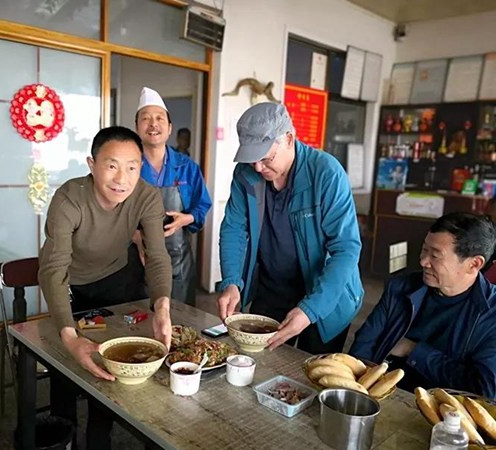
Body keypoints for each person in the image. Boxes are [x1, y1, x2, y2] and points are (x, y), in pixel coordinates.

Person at [38, 126, 172, 450]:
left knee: (112, 354)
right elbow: (54, 268)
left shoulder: (147, 196)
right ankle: (64, 433)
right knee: (67, 356)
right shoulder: (69, 198)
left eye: (132, 167)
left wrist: (162, 308)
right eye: (112, 165)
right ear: (92, 164)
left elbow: (156, 255)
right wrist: (70, 336)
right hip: (70, 283)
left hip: (116, 277)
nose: (122, 178)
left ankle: (100, 437)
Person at [217, 102, 364, 354]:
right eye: (252, 160)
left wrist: (310, 310)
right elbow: (234, 229)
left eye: (266, 158)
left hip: (325, 294)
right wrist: (231, 281)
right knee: (261, 361)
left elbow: (346, 249)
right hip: (272, 288)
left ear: (288, 139)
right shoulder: (245, 174)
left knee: (311, 367)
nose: (258, 167)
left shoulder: (326, 173)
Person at [350, 212, 496, 398]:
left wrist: (413, 350)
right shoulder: (400, 287)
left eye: (435, 255)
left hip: (443, 410)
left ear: (474, 264)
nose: (423, 261)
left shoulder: (491, 313)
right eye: (424, 250)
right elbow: (363, 346)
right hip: (380, 394)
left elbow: (485, 389)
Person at [135, 87, 212, 306]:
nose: (153, 124)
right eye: (146, 118)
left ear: (169, 128)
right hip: (136, 259)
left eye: (159, 118)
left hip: (178, 259)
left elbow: (202, 205)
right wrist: (134, 235)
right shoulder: (128, 166)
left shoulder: (187, 167)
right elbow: (112, 209)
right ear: (137, 127)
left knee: (180, 318)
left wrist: (186, 218)